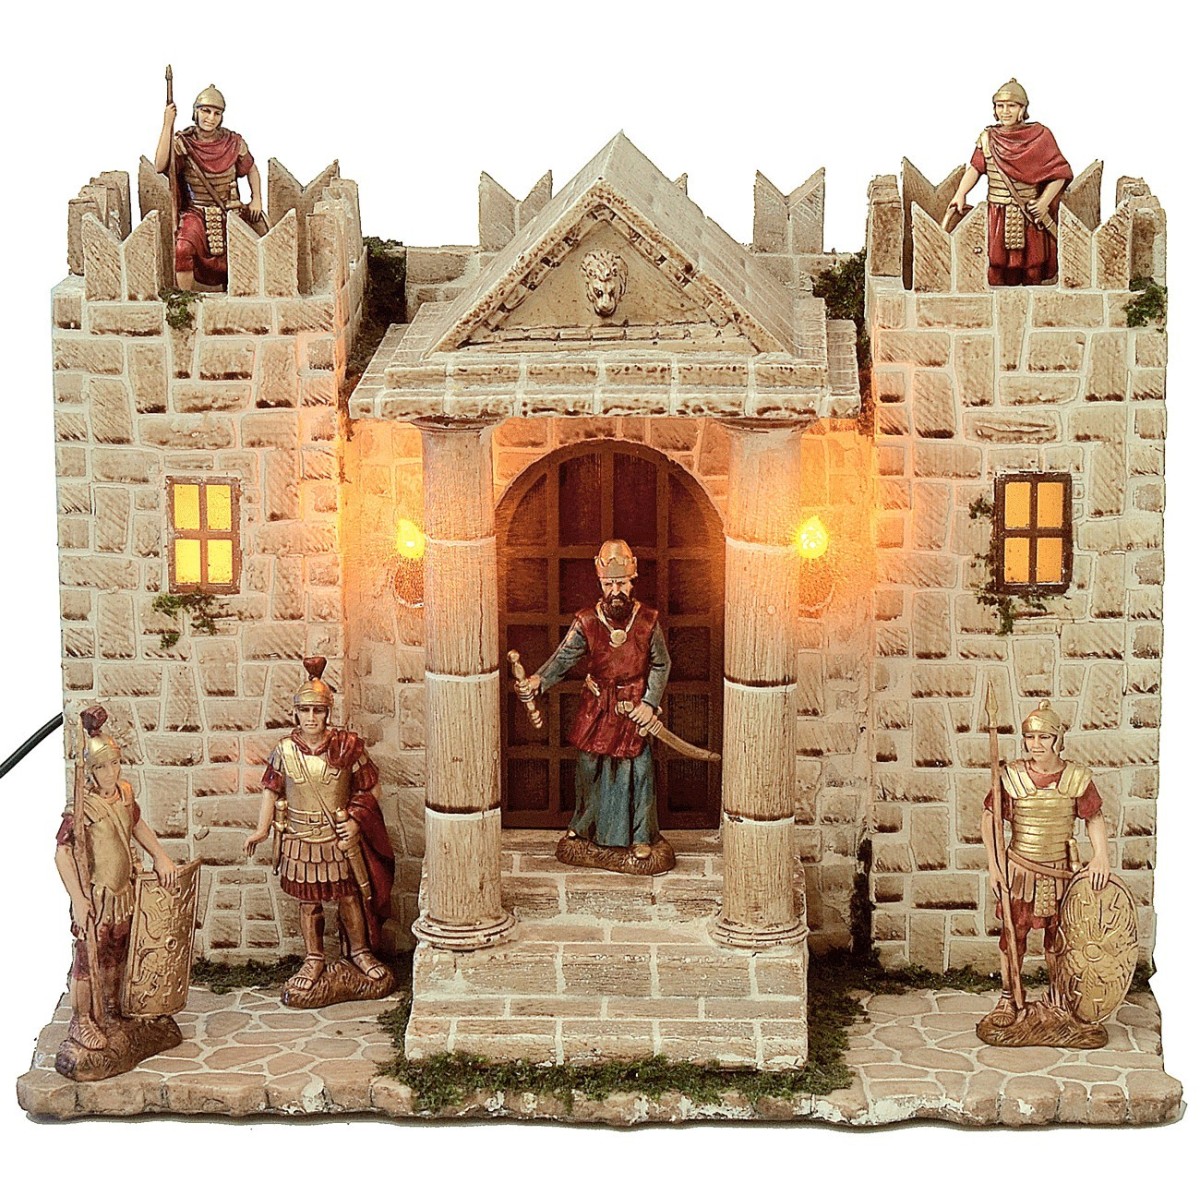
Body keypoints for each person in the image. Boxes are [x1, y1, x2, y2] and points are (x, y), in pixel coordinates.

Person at [244, 657, 394, 996]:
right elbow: (271, 790)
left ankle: (359, 951)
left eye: (318, 711)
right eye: (305, 711)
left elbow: (371, 788)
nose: (311, 717)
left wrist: (355, 821)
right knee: (308, 902)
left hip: (337, 839)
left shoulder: (346, 747)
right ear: (295, 713)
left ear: (328, 713)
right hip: (300, 839)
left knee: (348, 897)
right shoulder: (284, 750)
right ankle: (313, 957)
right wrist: (262, 830)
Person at [515, 539, 671, 858]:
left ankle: (641, 835)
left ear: (632, 581)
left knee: (639, 769)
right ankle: (584, 826)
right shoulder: (587, 621)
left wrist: (649, 703)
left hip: (633, 708)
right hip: (597, 707)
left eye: (621, 583)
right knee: (589, 767)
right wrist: (537, 681)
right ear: (600, 583)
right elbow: (563, 658)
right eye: (609, 584)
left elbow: (661, 664)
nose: (615, 591)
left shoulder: (647, 621)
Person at [55, 707, 179, 1051]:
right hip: (96, 897)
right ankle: (82, 1020)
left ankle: (111, 1009)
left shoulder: (124, 794)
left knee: (118, 955)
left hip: (123, 893)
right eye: (100, 767)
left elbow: (136, 824)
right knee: (88, 960)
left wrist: (160, 855)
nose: (109, 772)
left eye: (114, 764)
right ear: (90, 771)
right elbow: (62, 853)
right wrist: (79, 899)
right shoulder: (82, 808)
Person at [981, 700, 1111, 1027]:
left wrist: (1101, 856)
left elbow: (1093, 817)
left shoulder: (1076, 777)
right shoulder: (1011, 777)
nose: (1035, 744)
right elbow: (989, 819)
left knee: (1060, 939)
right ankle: (1009, 997)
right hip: (1019, 871)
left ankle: (1059, 996)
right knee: (1013, 937)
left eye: (1044, 737)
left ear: (1057, 739)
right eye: (1030, 737)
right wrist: (995, 866)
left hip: (1060, 873)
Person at [945, 79, 1073, 286]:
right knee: (995, 264)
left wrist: (1043, 202)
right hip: (997, 213)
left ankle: (1034, 303)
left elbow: (1059, 174)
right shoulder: (988, 138)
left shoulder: (1041, 137)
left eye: (1011, 106)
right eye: (1000, 106)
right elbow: (975, 168)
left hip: (1029, 213)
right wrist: (960, 194)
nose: (1005, 111)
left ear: (1022, 109)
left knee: (1033, 265)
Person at [154, 84, 264, 291]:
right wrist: (167, 124)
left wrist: (256, 198)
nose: (211, 118)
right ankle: (185, 301)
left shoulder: (233, 142)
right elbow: (160, 165)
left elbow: (252, 169)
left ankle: (236, 298)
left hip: (229, 210)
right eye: (206, 111)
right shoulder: (183, 143)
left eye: (216, 113)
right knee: (183, 248)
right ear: (196, 112)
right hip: (196, 211)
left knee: (241, 254)